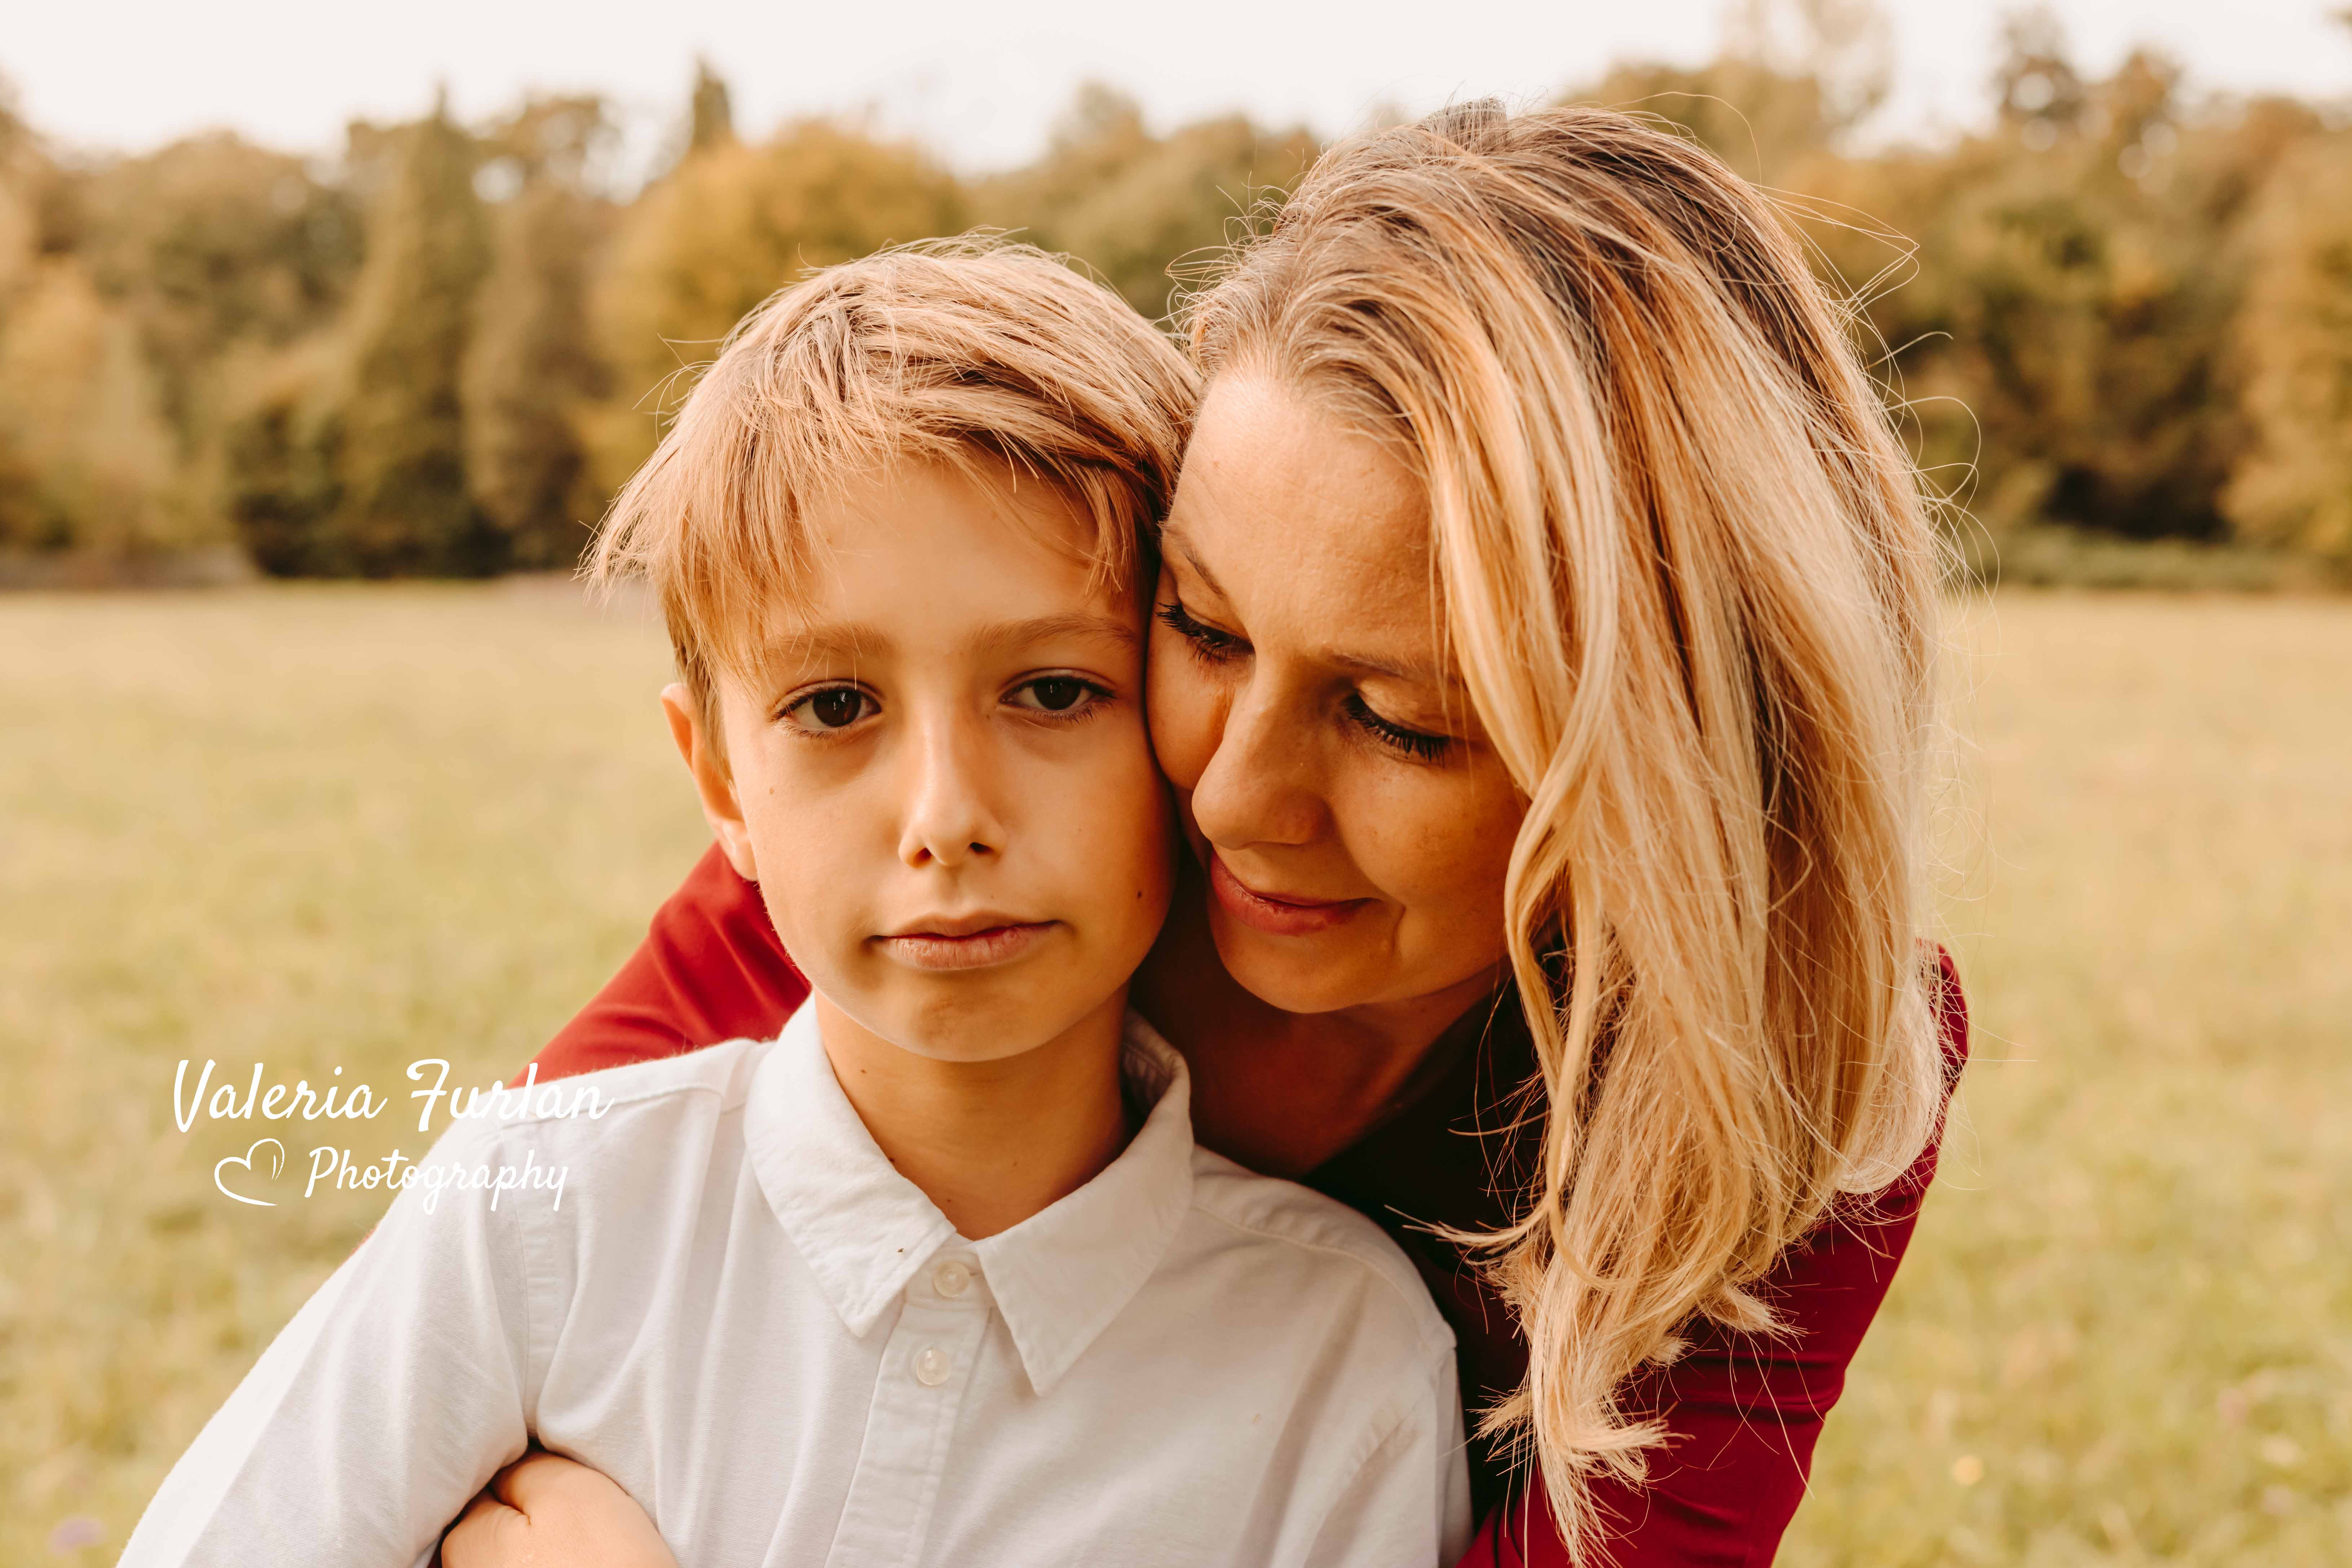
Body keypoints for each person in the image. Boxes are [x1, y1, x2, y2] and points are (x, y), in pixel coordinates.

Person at [459, 101, 1972, 1568]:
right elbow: (507, 1288)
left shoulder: (1803, 1056)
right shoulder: (963, 850)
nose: (1230, 797)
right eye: (1201, 627)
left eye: (1397, 719)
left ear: (1674, 773)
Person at [117, 243, 1472, 1568]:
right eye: (834, 707)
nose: (945, 816)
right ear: (718, 779)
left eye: (1054, 691)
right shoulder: (537, 1223)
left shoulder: (1339, 1364)